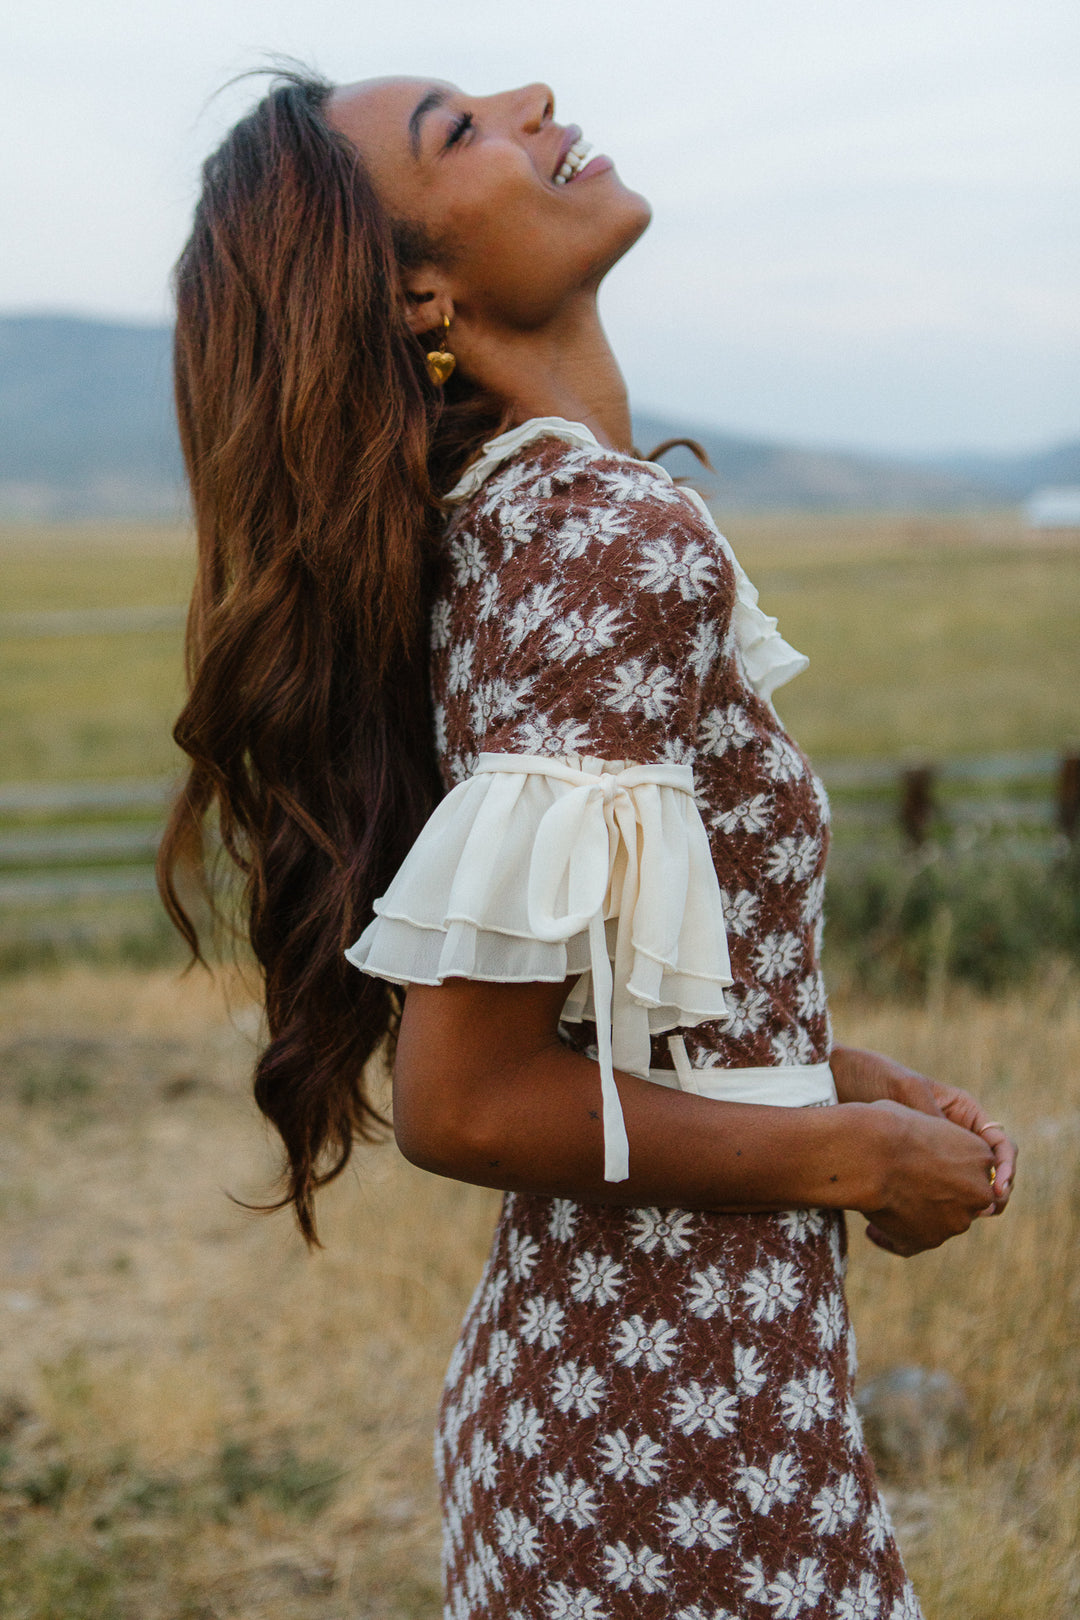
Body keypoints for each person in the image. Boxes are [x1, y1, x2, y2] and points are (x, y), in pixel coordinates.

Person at [158, 67, 1017, 1620]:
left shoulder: (515, 533)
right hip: (670, 1447)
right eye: (459, 131)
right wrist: (852, 1153)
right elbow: (469, 1096)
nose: (534, 94)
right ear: (417, 288)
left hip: (651, 1407)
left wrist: (844, 1077)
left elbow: (605, 1010)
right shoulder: (607, 541)